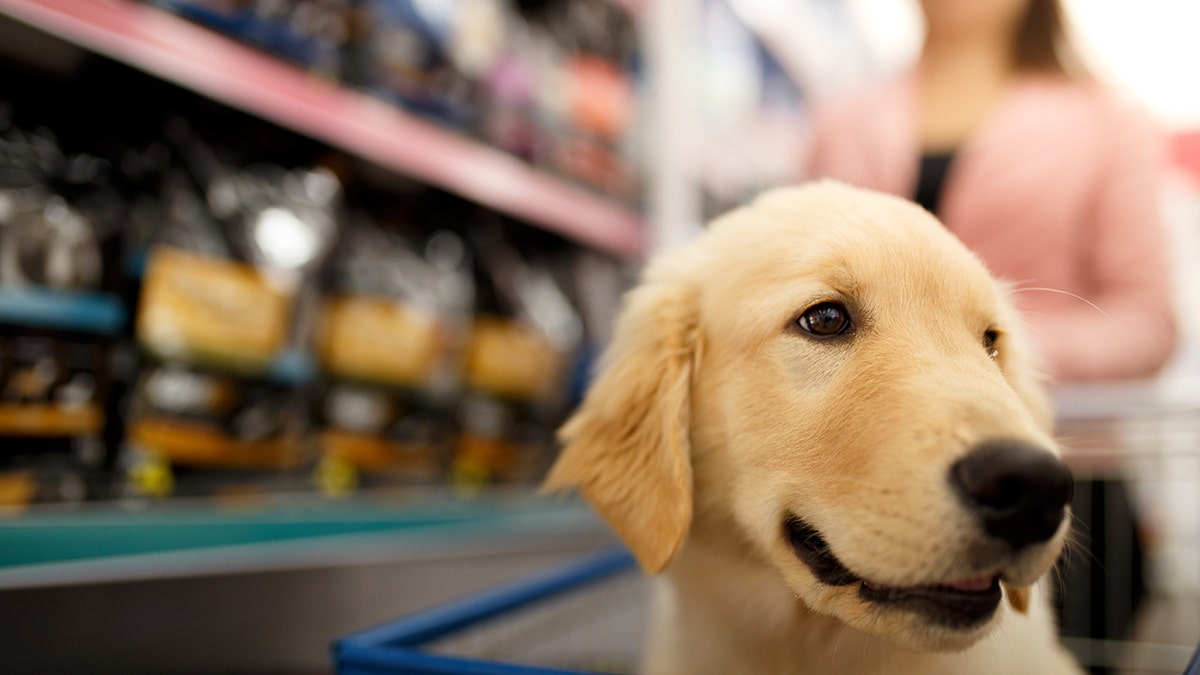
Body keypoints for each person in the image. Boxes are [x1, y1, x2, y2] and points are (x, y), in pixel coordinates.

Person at [805, 0, 1178, 383]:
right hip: (868, 426)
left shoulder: (1109, 123)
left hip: (1042, 425)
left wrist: (988, 346)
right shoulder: (840, 122)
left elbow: (1146, 323)